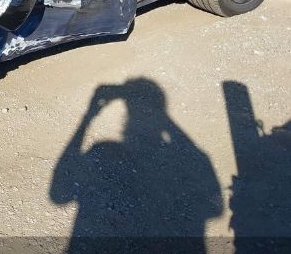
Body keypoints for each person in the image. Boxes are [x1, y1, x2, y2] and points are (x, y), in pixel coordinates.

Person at [50, 78, 222, 253]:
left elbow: (58, 195)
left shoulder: (103, 149)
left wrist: (88, 116)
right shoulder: (194, 159)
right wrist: (161, 115)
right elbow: (214, 208)